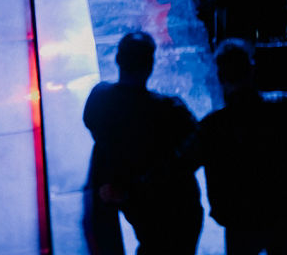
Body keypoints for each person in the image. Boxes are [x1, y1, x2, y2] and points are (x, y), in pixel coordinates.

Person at [83, 30, 202, 255]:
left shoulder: (99, 100)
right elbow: (197, 148)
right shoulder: (170, 111)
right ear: (150, 66)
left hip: (138, 209)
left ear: (118, 60)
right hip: (176, 210)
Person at [197, 39, 287, 255]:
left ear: (221, 78)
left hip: (240, 219)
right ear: (252, 70)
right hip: (283, 211)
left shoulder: (212, 127)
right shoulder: (285, 107)